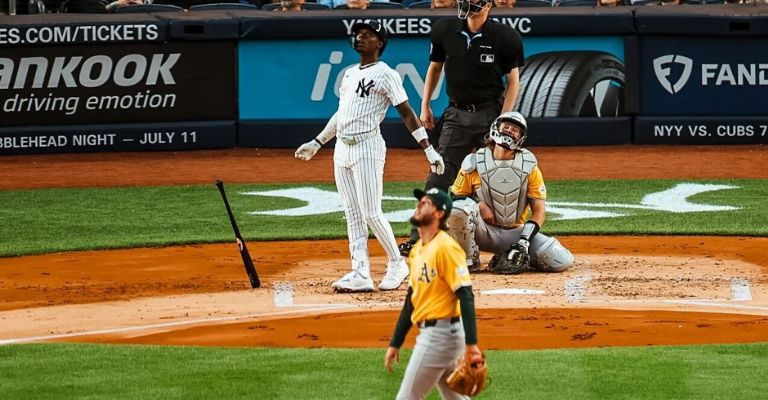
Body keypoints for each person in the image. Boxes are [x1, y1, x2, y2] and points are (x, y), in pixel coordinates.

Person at [295, 20, 445, 293]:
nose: (360, 38)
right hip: (342, 148)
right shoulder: (350, 74)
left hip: (368, 148)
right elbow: (342, 115)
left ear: (380, 43)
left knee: (371, 213)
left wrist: (428, 148)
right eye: (358, 35)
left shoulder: (386, 73)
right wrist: (318, 142)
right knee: (352, 214)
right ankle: (360, 272)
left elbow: (407, 113)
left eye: (367, 35)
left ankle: (397, 263)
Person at [399, 0, 525, 257]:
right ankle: (418, 237)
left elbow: (513, 82)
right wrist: (425, 106)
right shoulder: (444, 30)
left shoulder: (506, 37)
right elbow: (435, 68)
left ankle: (507, 238)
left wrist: (503, 120)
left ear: (488, 4)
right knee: (439, 174)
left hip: (491, 111)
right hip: (456, 113)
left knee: (497, 174)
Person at [384, 187, 482, 400]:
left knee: (407, 398)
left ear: (439, 213)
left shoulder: (446, 248)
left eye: (426, 203)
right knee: (455, 397)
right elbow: (412, 299)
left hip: (440, 336)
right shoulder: (417, 249)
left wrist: (472, 345)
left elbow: (465, 294)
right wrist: (396, 342)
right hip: (442, 334)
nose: (419, 205)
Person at [446, 111, 574, 273]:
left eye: (515, 130)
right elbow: (454, 197)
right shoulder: (474, 162)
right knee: (458, 209)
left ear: (521, 137)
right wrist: (479, 204)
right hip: (482, 231)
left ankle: (510, 256)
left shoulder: (529, 167)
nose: (509, 131)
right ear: (495, 129)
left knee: (559, 260)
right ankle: (468, 259)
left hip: (515, 233)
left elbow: (539, 210)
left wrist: (524, 241)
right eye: (506, 126)